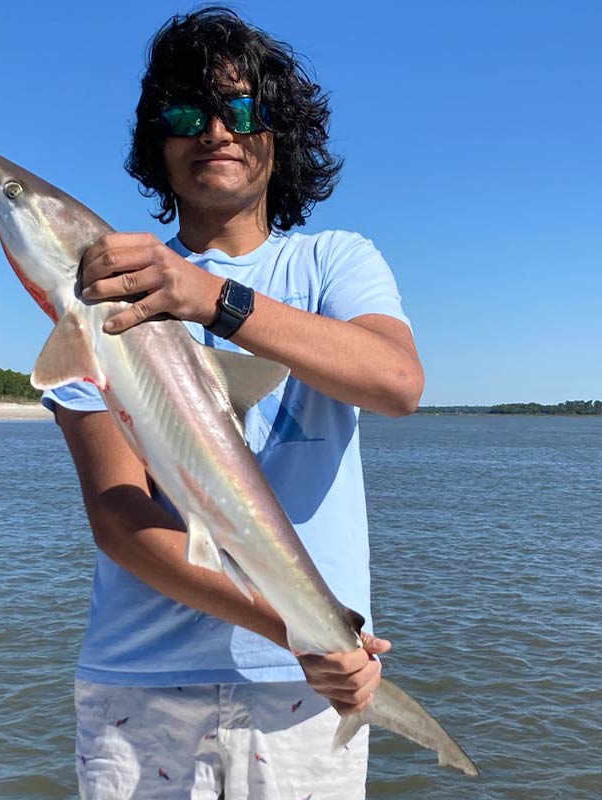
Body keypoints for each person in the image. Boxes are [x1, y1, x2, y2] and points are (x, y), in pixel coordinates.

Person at [43, 7, 424, 799]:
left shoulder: (334, 262)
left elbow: (396, 383)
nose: (215, 130)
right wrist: (302, 633)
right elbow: (119, 518)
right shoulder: (107, 288)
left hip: (307, 693)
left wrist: (213, 299)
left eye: (242, 108)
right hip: (143, 683)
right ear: (158, 144)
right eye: (187, 115)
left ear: (279, 133)